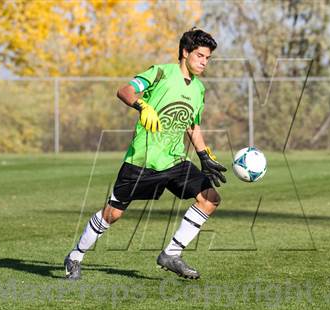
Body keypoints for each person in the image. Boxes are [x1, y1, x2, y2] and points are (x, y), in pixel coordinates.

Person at [64, 28, 226, 280]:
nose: (204, 62)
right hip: (142, 161)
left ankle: (171, 254)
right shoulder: (160, 72)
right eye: (200, 55)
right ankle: (75, 256)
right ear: (185, 52)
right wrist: (142, 105)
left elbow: (192, 125)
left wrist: (204, 155)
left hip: (174, 161)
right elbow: (125, 90)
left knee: (210, 199)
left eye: (208, 58)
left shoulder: (199, 89)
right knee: (112, 214)